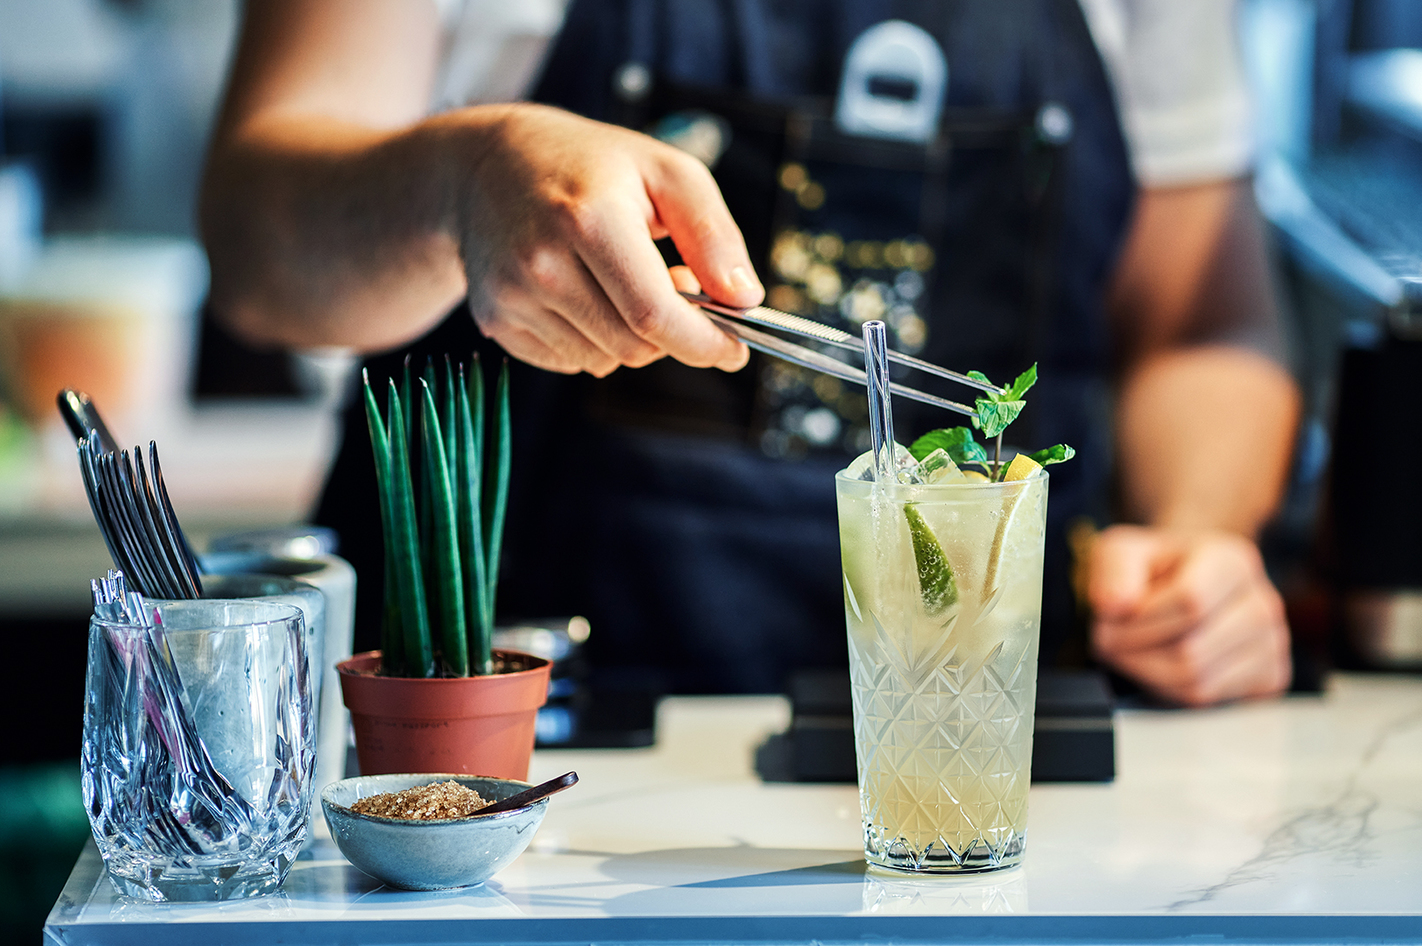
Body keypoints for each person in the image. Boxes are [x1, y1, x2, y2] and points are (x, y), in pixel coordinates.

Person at [201, 0, 1300, 706]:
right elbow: (259, 247)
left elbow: (1203, 323)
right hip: (492, 751)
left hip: (997, 760)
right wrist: (457, 182)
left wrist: (1198, 542)